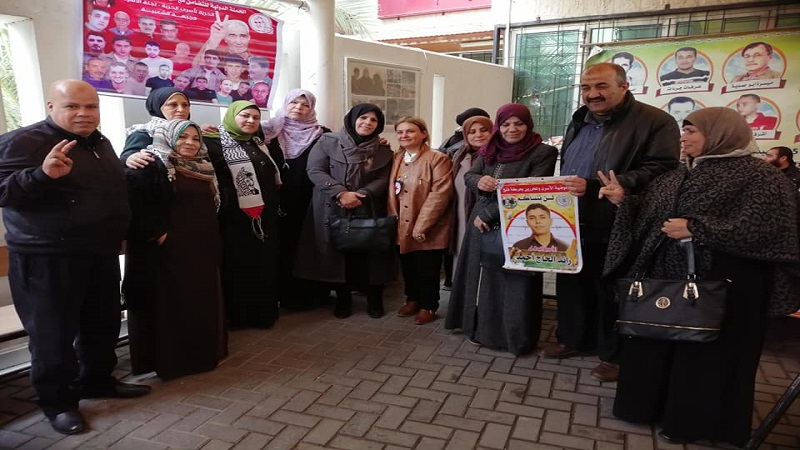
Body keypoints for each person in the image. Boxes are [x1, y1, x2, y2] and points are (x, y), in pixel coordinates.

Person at [598, 107, 799, 447]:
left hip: (723, 287)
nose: (683, 138)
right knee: (658, 342)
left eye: (692, 131)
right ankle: (649, 408)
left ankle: (695, 424)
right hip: (667, 281)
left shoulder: (760, 177)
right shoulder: (679, 174)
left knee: (707, 357)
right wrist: (624, 201)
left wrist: (697, 228)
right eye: (684, 130)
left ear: (720, 134)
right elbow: (652, 213)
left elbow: (770, 230)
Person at [0, 80, 150, 435]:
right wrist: (40, 176)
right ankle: (58, 403)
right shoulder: (23, 141)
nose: (84, 113)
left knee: (102, 326)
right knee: (52, 337)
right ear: (51, 107)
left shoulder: (99, 142)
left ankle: (96, 381)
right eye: (72, 106)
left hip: (98, 253)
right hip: (47, 259)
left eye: (91, 106)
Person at [537, 62, 680, 382]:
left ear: (624, 87)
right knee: (573, 282)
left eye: (601, 86)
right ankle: (573, 338)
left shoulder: (655, 121)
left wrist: (603, 186)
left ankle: (615, 354)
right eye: (586, 87)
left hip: (619, 220)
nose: (592, 94)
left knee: (612, 289)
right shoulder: (579, 119)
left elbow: (663, 170)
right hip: (573, 218)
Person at [445, 104, 558, 355]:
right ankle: (484, 332)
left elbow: (532, 191)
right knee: (484, 281)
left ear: (528, 124)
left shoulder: (543, 152)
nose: (512, 129)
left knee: (516, 283)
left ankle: (515, 339)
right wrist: (479, 180)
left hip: (519, 224)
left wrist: (489, 213)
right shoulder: (490, 148)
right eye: (506, 124)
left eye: (519, 123)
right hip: (481, 225)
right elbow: (470, 176)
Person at [123, 119, 225, 381]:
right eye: (182, 137)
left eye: (195, 138)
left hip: (201, 246)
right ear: (168, 138)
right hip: (171, 250)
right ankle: (174, 362)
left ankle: (200, 357)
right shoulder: (153, 164)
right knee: (173, 304)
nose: (190, 143)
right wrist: (157, 233)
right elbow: (137, 203)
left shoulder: (203, 166)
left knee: (199, 301)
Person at [294, 104, 395, 318]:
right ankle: (343, 299)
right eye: (363, 118)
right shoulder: (327, 141)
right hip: (332, 205)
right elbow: (315, 170)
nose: (367, 123)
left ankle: (374, 299)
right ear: (352, 119)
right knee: (338, 255)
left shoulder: (383, 150)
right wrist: (341, 193)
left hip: (367, 206)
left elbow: (384, 178)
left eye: (374, 120)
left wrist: (362, 194)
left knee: (371, 254)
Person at [204, 101, 285, 329]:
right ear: (232, 116)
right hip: (234, 217)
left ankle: (263, 314)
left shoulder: (259, 143)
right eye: (245, 116)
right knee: (238, 265)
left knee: (264, 263)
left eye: (256, 118)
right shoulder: (213, 142)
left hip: (264, 216)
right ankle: (238, 317)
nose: (251, 121)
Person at [259, 89, 329, 311]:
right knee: (279, 245)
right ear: (285, 104)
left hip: (309, 200)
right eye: (294, 103)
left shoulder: (322, 134)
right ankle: (279, 294)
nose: (298, 107)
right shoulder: (266, 130)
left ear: (312, 109)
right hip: (274, 200)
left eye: (305, 104)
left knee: (306, 246)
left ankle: (307, 296)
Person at [389, 117, 454, 325]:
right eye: (400, 132)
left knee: (427, 267)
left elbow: (440, 194)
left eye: (410, 131)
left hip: (429, 226)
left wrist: (422, 225)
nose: (404, 135)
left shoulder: (437, 159)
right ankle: (413, 299)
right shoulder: (397, 158)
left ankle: (428, 305)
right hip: (401, 224)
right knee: (407, 265)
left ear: (423, 133)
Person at [441, 112, 492, 290]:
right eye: (472, 132)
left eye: (484, 130)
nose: (478, 135)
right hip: (461, 219)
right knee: (462, 263)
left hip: (487, 220)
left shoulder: (498, 157)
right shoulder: (458, 156)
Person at [121, 87, 191, 170]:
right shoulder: (145, 134)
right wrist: (129, 158)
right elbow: (127, 157)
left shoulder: (193, 133)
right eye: (173, 105)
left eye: (185, 105)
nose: (181, 109)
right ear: (157, 107)